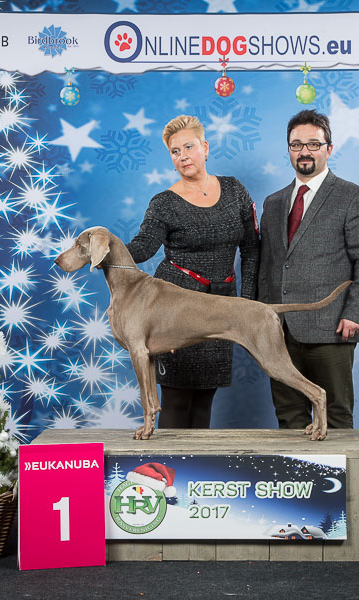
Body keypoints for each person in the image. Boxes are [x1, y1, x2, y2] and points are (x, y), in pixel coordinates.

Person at [126, 115, 260, 429]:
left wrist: (247, 305)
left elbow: (252, 249)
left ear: (205, 148)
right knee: (176, 400)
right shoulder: (163, 203)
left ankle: (196, 464)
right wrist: (107, 248)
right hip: (173, 312)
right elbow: (144, 246)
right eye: (175, 151)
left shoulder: (234, 190)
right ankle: (167, 462)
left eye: (189, 147)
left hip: (221, 307)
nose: (183, 156)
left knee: (204, 400)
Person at [257, 109, 359, 430]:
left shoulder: (353, 196)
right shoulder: (273, 202)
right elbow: (265, 265)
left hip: (332, 328)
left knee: (336, 417)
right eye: (296, 145)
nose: (305, 151)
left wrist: (356, 313)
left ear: (329, 148)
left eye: (313, 144)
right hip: (278, 332)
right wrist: (259, 318)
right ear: (288, 149)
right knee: (289, 418)